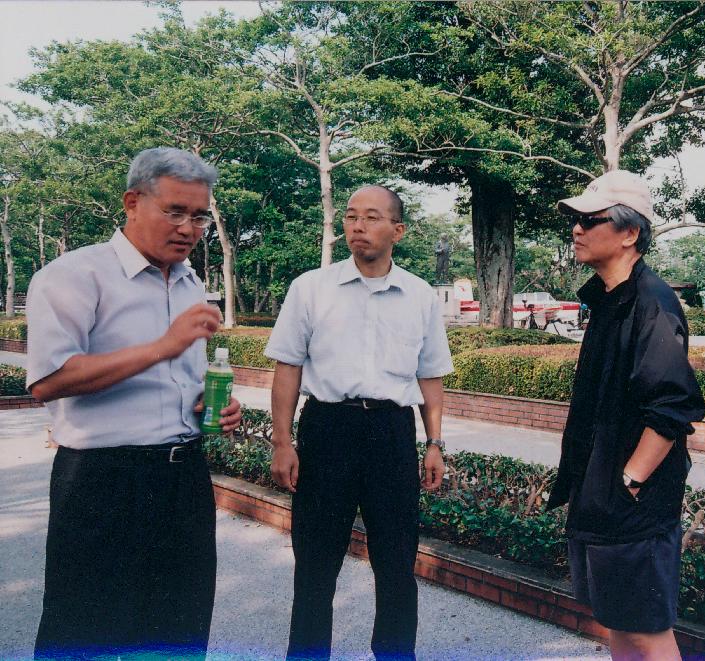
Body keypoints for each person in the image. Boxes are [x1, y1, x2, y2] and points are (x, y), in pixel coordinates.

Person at [26, 147, 242, 659]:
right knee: (86, 630)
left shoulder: (192, 285)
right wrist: (163, 346)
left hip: (184, 477)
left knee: (181, 628)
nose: (188, 228)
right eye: (175, 211)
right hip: (102, 481)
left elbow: (179, 382)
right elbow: (49, 380)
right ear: (132, 202)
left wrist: (212, 409)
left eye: (199, 216)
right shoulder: (75, 276)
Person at [265, 185, 453, 660]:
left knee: (396, 564)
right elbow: (287, 366)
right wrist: (282, 441)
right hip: (327, 431)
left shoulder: (420, 295)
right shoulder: (311, 287)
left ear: (398, 230)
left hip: (391, 435)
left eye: (371, 217)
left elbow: (430, 375)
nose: (357, 226)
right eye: (351, 217)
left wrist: (434, 443)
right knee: (314, 566)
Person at [547, 170, 705, 660]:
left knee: (646, 630)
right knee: (616, 621)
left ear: (629, 232)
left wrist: (630, 479)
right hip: (601, 494)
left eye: (590, 220)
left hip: (632, 503)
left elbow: (672, 407)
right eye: (575, 220)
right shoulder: (607, 299)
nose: (576, 230)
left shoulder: (651, 303)